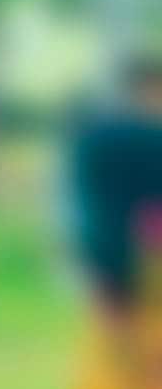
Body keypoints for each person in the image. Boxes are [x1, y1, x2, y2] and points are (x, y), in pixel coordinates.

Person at [68, 56, 162, 319]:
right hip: (146, 244)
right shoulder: (152, 138)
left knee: (113, 322)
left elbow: (81, 190)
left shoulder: (93, 136)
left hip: (101, 239)